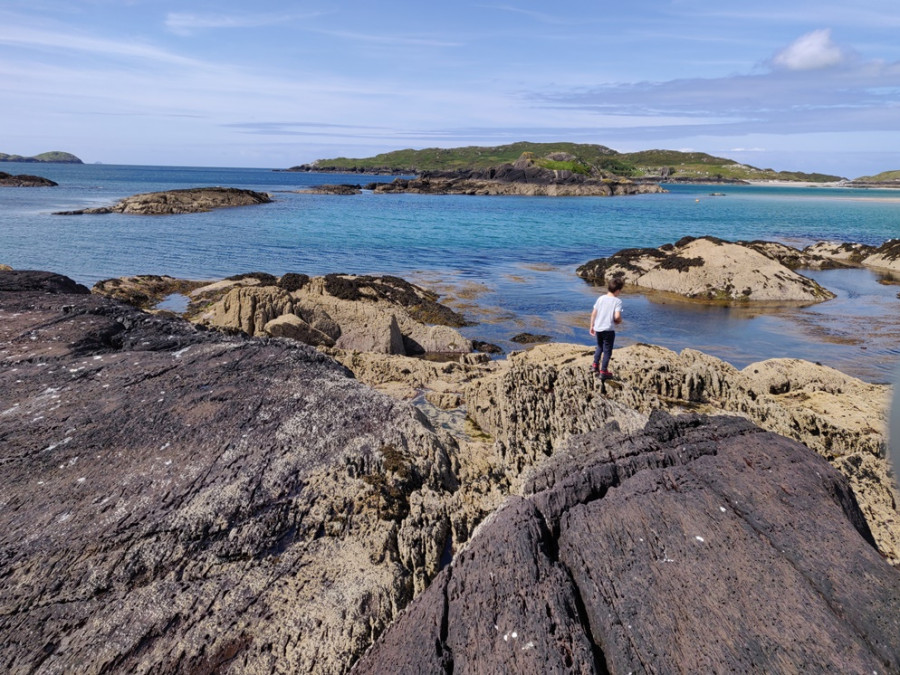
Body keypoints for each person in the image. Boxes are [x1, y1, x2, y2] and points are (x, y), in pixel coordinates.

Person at [589, 276, 624, 380]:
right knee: (607, 351)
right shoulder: (617, 301)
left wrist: (591, 326)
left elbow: (593, 313)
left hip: (598, 327)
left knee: (599, 346)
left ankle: (595, 365)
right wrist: (619, 321)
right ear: (617, 290)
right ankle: (603, 371)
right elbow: (617, 316)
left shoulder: (601, 298)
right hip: (608, 330)